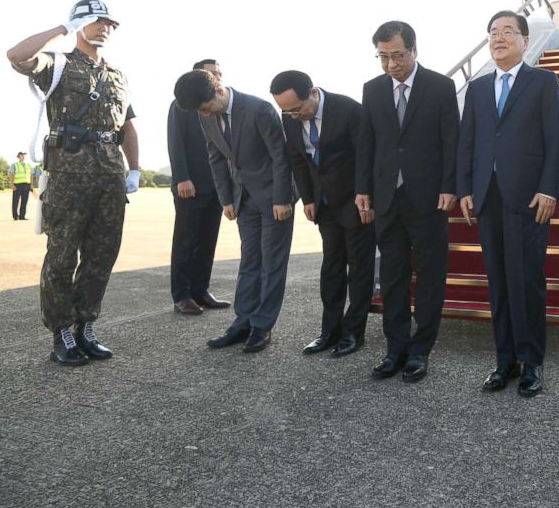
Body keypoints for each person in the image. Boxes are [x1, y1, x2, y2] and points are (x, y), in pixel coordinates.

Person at [5, 0, 141, 365]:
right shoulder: (58, 63)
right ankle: (61, 332)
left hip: (110, 174)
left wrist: (135, 168)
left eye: (109, 23)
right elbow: (16, 55)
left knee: (102, 256)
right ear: (80, 22)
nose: (104, 28)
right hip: (69, 175)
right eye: (95, 21)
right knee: (62, 256)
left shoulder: (117, 74)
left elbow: (126, 125)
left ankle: (85, 326)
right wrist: (62, 28)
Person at [456, 10, 559, 397]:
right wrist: (465, 189)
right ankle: (505, 361)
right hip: (487, 196)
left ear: (523, 40)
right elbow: (467, 142)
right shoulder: (479, 88)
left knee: (528, 280)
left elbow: (556, 139)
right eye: (493, 33)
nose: (499, 38)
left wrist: (550, 188)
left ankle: (532, 361)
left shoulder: (542, 82)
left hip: (530, 198)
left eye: (507, 32)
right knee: (498, 281)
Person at [355, 21, 459, 382]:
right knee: (393, 276)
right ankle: (395, 349)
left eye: (397, 55)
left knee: (430, 277)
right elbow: (367, 142)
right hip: (386, 197)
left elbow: (451, 141)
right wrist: (363, 189)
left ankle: (420, 351)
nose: (390, 64)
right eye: (383, 57)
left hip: (429, 197)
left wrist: (450, 186)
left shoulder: (440, 87)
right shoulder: (373, 89)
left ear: (414, 50)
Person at [173, 70, 294, 353]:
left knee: (272, 264)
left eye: (205, 107)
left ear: (218, 90)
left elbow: (281, 156)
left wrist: (282, 198)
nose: (204, 114)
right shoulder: (207, 116)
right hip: (243, 199)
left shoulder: (259, 109)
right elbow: (215, 157)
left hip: (274, 198)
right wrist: (226, 198)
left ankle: (262, 327)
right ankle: (243, 322)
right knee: (249, 262)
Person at [271, 70, 375, 358]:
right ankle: (329, 331)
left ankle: (354, 333)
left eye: (297, 108)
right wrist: (307, 197)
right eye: (286, 111)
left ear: (313, 93)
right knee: (331, 267)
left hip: (356, 201)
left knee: (359, 268)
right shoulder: (289, 117)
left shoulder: (349, 110)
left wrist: (367, 197)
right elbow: (297, 158)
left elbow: (367, 156)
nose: (293, 116)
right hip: (325, 204)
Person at [166, 59, 229, 316]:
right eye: (212, 73)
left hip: (216, 185)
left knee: (207, 241)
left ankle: (201, 290)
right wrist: (182, 177)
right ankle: (181, 295)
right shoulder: (182, 104)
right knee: (186, 241)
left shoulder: (221, 105)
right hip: (189, 185)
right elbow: (175, 143)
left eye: (219, 73)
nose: (218, 77)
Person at [9, 151, 34, 220]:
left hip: (26, 185)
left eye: (24, 155)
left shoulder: (28, 165)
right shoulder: (14, 165)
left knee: (24, 201)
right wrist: (12, 184)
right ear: (19, 156)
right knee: (15, 201)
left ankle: (22, 216)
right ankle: (15, 216)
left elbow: (31, 175)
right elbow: (11, 175)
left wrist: (31, 185)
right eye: (22, 155)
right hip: (17, 185)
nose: (23, 156)